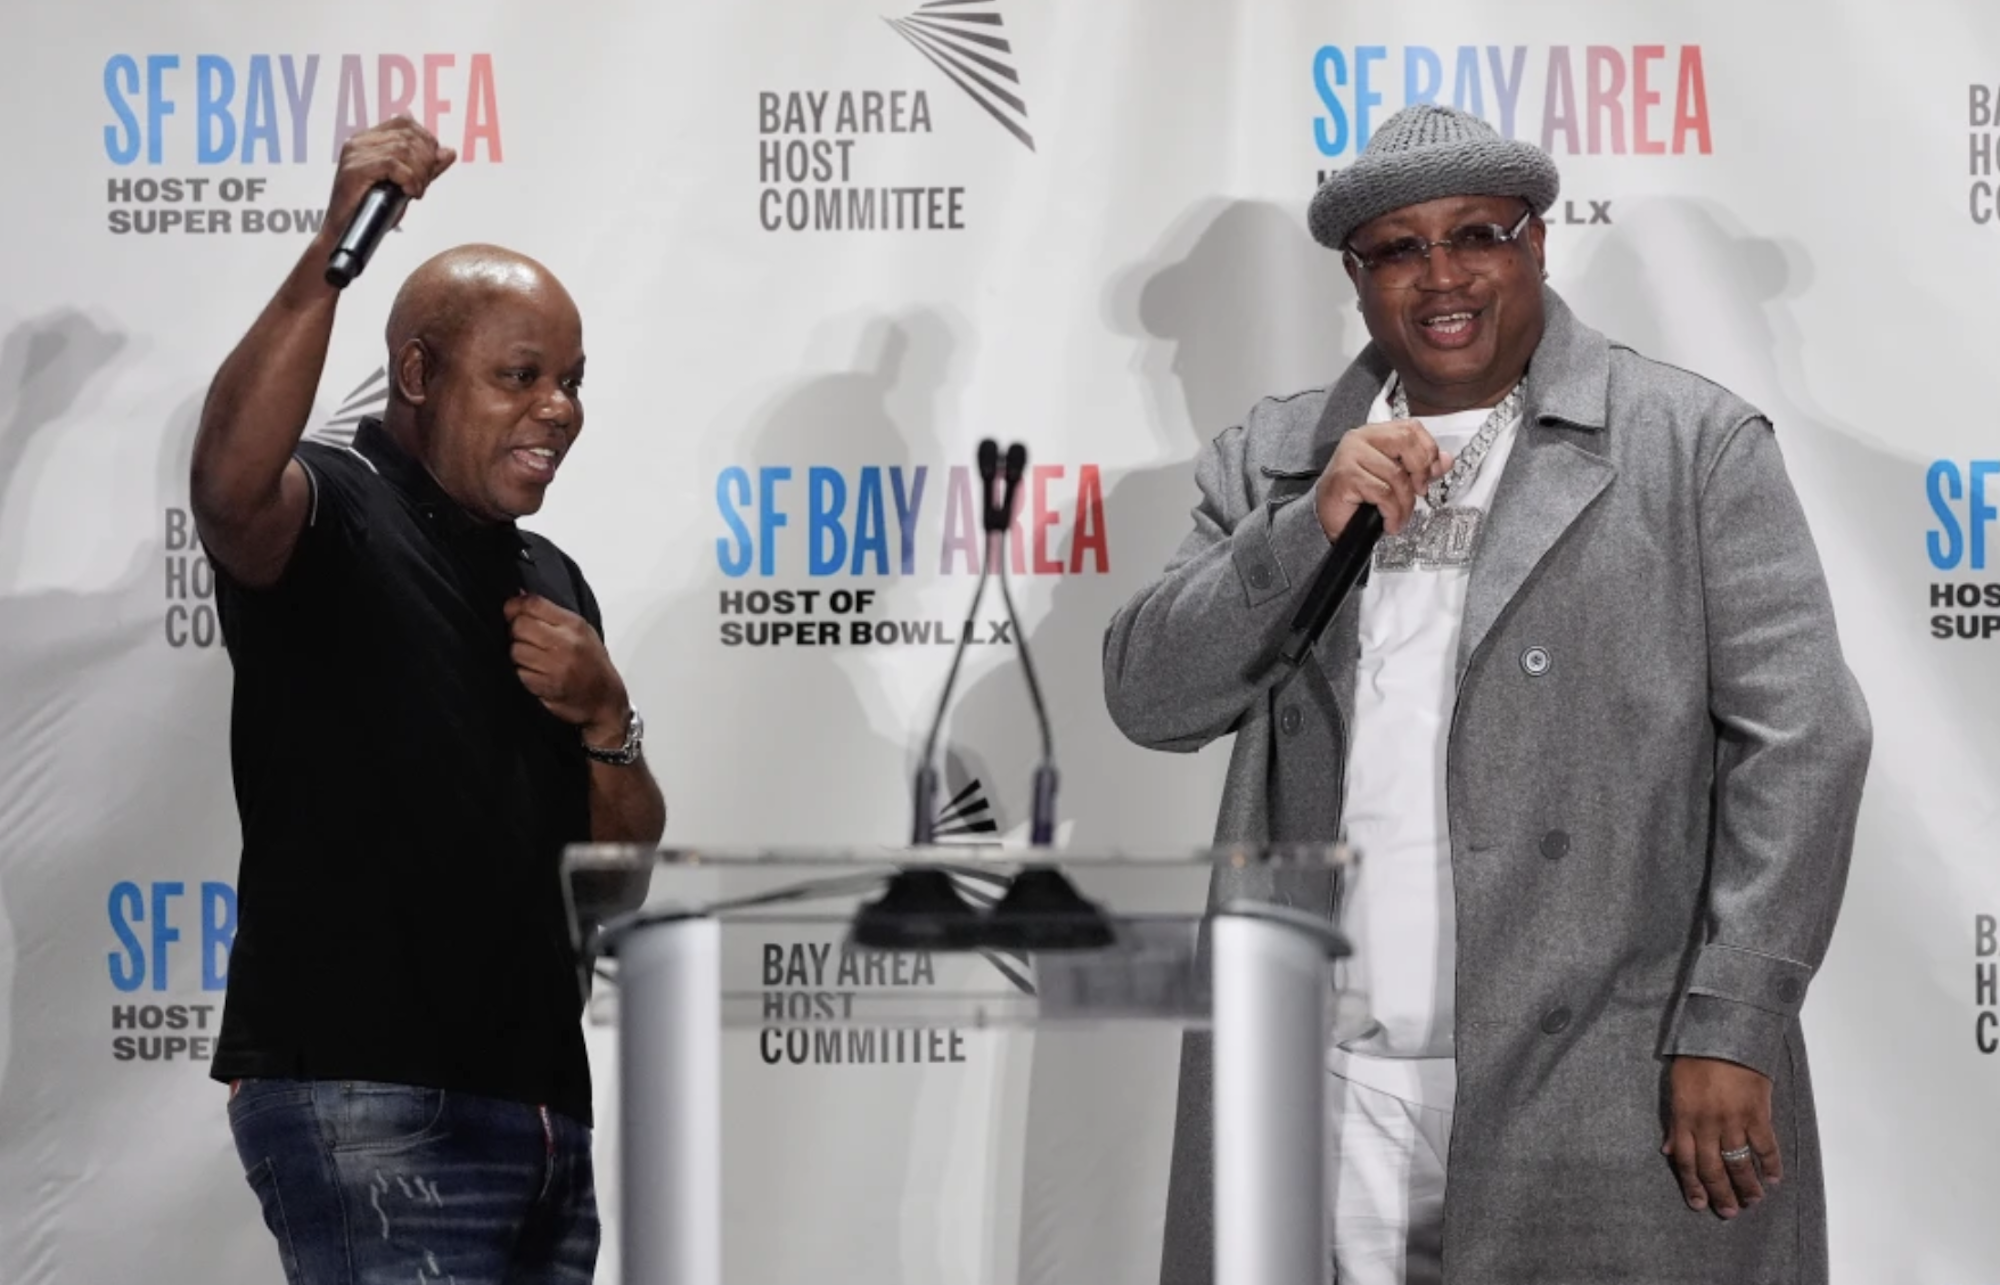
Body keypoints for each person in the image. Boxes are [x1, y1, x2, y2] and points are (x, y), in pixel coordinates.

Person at [1105, 104, 1870, 1284]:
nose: (1440, 275)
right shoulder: (1271, 460)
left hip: (1600, 1075)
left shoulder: (1686, 442)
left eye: (1477, 233)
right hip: (1324, 1084)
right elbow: (1149, 699)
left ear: (1537, 245)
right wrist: (1298, 530)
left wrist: (1733, 1018)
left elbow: (1805, 740)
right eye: (1397, 249)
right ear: (1356, 278)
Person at [192, 116, 666, 1284]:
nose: (559, 408)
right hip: (372, 1097)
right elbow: (228, 483)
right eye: (520, 376)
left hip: (546, 1110)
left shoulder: (553, 581)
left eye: (570, 381)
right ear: (416, 372)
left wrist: (610, 721)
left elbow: (616, 884)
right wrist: (333, 250)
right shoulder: (335, 510)